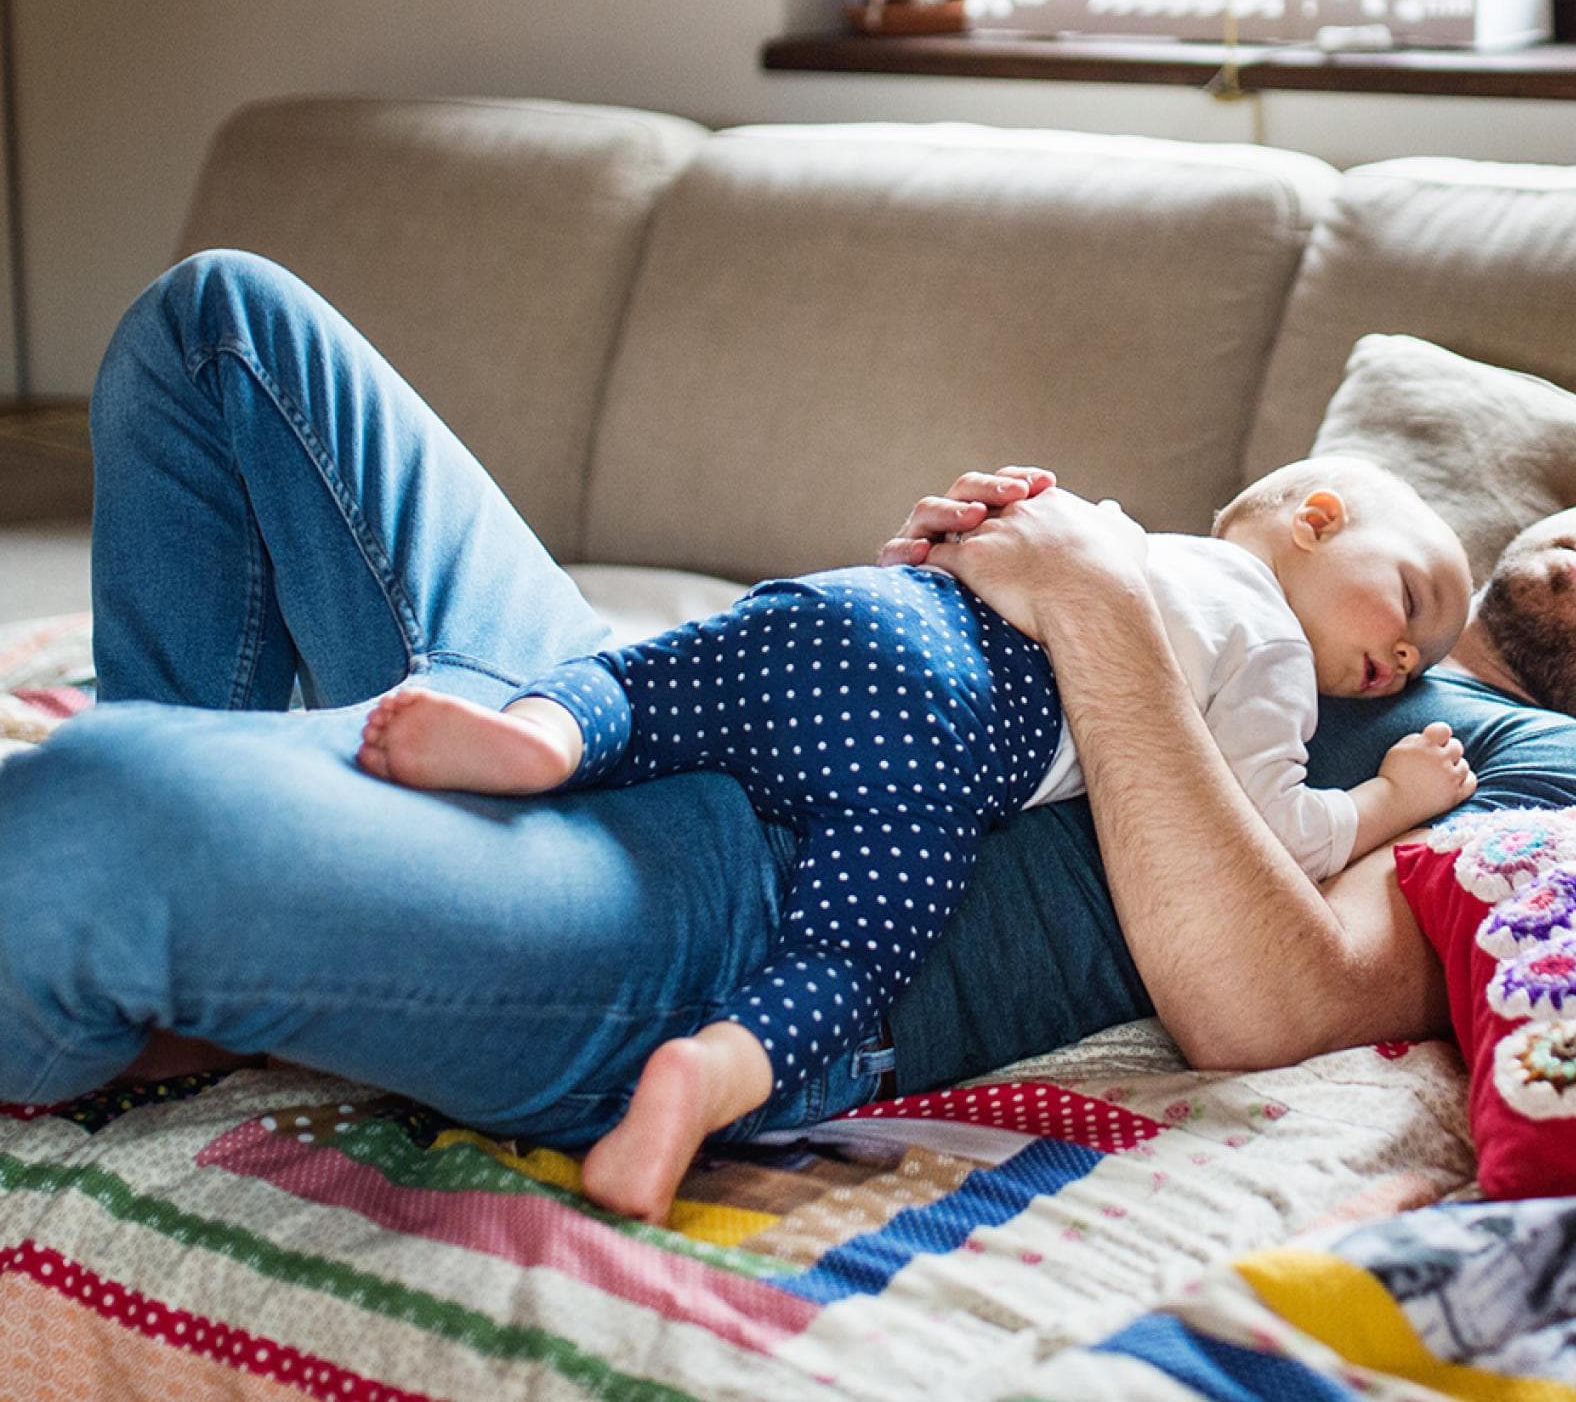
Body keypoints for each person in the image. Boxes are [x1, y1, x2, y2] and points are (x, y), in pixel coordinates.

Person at [0, 253, 1576, 1197]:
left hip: (723, 931)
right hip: (644, 701)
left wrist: (1097, 604)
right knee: (220, 322)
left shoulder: (1546, 779)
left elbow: (1268, 1003)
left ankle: (209, 916)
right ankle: (207, 977)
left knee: (94, 815)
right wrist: (961, 572)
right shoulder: (1307, 571)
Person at [352, 454, 1474, 1217]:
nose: (1407, 658)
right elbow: (1278, 831)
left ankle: (540, 738)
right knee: (849, 954)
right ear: (1316, 520)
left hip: (868, 614)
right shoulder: (1271, 651)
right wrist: (1390, 801)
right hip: (945, 742)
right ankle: (708, 1077)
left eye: (1424, 654)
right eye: (1411, 602)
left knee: (652, 682)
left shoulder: (1111, 529)